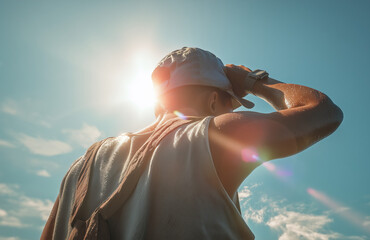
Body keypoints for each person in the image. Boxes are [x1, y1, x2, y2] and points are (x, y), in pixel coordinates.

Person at [41, 47, 343, 240]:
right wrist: (254, 81)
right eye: (230, 106)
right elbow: (324, 112)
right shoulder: (215, 136)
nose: (231, 115)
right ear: (214, 101)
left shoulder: (80, 167)